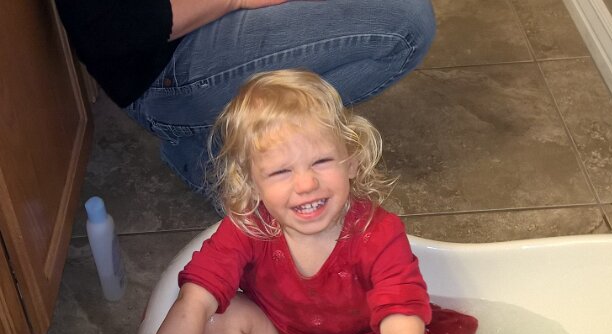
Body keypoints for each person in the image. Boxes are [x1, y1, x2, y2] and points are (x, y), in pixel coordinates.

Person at [140, 70, 477, 334]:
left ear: (352, 161)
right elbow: (191, 305)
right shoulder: (247, 227)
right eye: (280, 171)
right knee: (210, 317)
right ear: (252, 184)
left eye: (321, 161)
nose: (305, 184)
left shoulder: (379, 235)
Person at [55, 0, 436, 200]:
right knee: (406, 23)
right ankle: (221, 147)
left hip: (199, 32)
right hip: (162, 67)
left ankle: (222, 145)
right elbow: (110, 31)